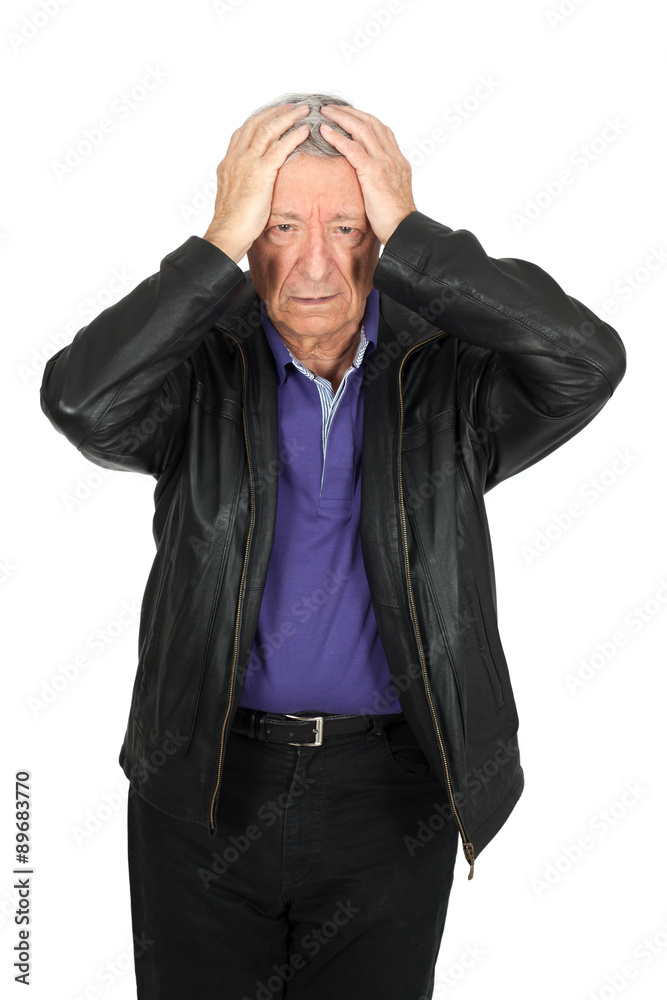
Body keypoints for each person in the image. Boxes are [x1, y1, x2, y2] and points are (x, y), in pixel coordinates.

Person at [40, 91, 627, 999]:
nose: (314, 263)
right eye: (279, 226)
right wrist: (211, 246)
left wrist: (419, 233)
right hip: (202, 781)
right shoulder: (195, 370)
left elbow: (586, 361)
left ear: (383, 234)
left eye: (348, 227)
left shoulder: (450, 382)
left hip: (391, 792)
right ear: (247, 233)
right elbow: (81, 401)